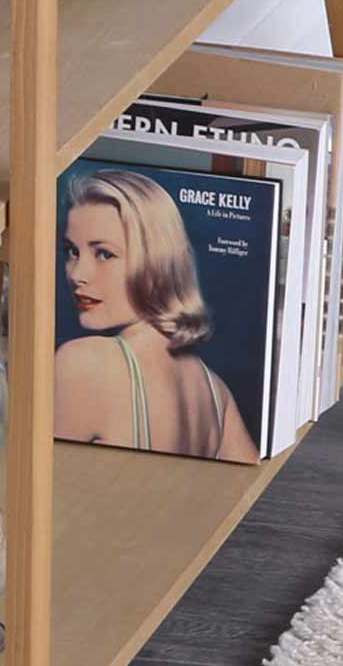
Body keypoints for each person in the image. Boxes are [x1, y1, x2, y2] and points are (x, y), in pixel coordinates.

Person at [54, 168, 260, 464]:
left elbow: (28, 482)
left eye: (104, 254)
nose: (77, 274)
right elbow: (245, 482)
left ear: (156, 262)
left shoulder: (85, 362)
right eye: (72, 251)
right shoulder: (216, 393)